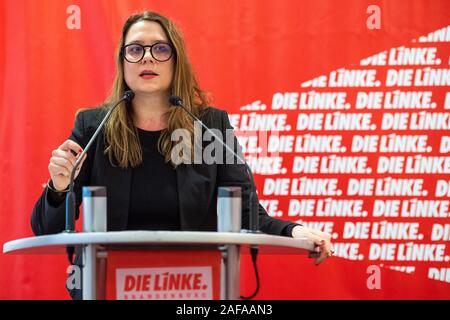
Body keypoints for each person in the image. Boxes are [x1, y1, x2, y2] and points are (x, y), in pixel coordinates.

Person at [31, 11, 333, 298]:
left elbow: (247, 214)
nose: (147, 57)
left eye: (160, 49)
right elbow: (47, 228)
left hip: (193, 287)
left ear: (176, 61)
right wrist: (59, 188)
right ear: (122, 61)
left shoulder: (211, 125)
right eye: (135, 49)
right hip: (108, 285)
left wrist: (294, 231)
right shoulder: (94, 126)